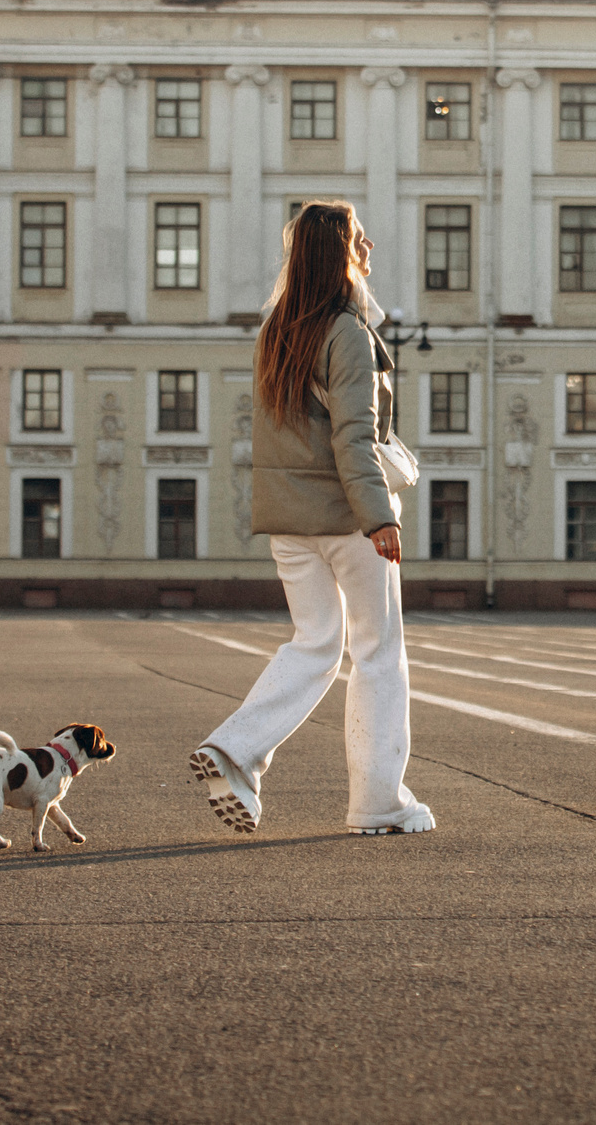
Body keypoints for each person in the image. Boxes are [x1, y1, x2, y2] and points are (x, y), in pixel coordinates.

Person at [189, 200, 433, 837]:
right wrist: (379, 517)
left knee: (315, 643)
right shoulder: (348, 335)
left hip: (290, 525)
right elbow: (353, 440)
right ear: (340, 253)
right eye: (360, 238)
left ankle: (237, 749)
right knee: (379, 654)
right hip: (349, 520)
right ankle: (378, 802)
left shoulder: (277, 333)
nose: (371, 244)